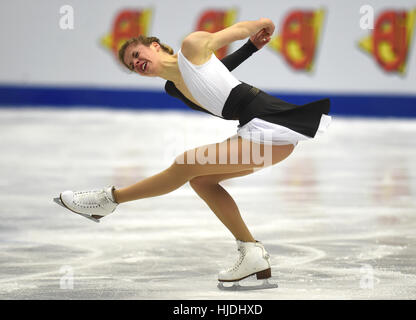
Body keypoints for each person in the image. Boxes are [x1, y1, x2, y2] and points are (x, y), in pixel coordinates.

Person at [54, 18, 331, 290]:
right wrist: (250, 50)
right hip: (260, 134)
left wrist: (260, 26)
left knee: (186, 163)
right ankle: (252, 254)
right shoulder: (174, 88)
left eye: (136, 54)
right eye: (131, 65)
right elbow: (214, 74)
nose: (136, 63)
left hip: (271, 125)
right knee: (201, 180)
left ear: (155, 46)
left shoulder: (192, 45)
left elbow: (236, 30)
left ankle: (109, 200)